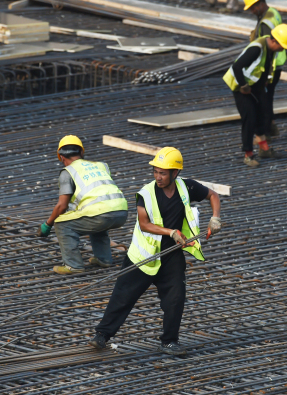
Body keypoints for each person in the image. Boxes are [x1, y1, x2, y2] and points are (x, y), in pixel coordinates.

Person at [90, 147, 222, 356]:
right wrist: (171, 232)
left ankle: (169, 341)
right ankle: (102, 335)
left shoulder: (187, 187)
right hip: (143, 255)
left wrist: (215, 217)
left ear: (175, 173)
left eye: (163, 173)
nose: (158, 177)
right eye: (155, 172)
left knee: (175, 298)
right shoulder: (146, 193)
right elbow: (144, 224)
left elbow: (213, 195)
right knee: (123, 296)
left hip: (171, 255)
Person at [38, 135, 128, 274]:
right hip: (122, 212)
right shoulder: (101, 165)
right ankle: (104, 259)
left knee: (61, 222)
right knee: (95, 217)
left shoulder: (68, 172)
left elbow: (62, 206)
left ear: (61, 157)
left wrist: (48, 224)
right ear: (81, 152)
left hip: (101, 214)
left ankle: (73, 265)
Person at [223, 23, 287, 167]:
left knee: (263, 113)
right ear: (274, 40)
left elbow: (266, 66)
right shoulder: (257, 49)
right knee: (249, 118)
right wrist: (243, 86)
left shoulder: (271, 49)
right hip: (240, 85)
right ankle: (248, 154)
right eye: (282, 46)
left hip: (255, 85)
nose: (282, 49)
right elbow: (237, 67)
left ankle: (264, 148)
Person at [243, 0, 287, 137]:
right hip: (277, 64)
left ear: (260, 3)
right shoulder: (273, 12)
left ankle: (265, 134)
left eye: (253, 8)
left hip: (271, 67)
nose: (252, 11)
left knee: (263, 101)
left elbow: (268, 51)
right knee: (267, 98)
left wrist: (266, 74)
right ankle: (272, 127)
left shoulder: (265, 24)